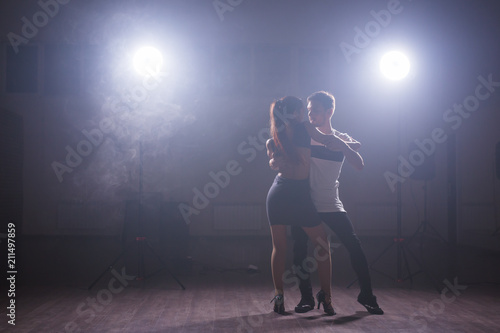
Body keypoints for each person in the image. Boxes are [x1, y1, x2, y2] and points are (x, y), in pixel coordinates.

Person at [272, 91, 383, 315]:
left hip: (331, 202)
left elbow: (359, 163)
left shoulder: (340, 137)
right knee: (300, 250)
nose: (311, 114)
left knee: (355, 246)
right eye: (309, 110)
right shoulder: (305, 133)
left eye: (316, 111)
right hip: (305, 202)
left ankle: (367, 295)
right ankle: (307, 299)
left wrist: (342, 145)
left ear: (330, 112)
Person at [266, 96, 345, 315]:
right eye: (303, 110)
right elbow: (326, 138)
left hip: (279, 192)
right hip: (298, 195)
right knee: (322, 246)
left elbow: (272, 161)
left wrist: (274, 161)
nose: (306, 114)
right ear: (297, 113)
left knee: (279, 248)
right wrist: (349, 146)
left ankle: (279, 297)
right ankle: (326, 299)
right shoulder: (304, 128)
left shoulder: (275, 135)